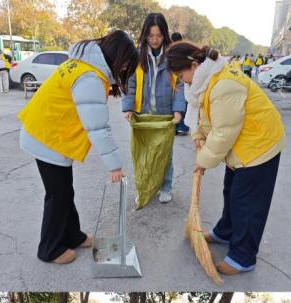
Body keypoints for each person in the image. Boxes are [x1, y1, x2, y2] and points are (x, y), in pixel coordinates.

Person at [18, 30, 138, 265]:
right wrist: (114, 166)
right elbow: (97, 127)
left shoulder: (82, 66)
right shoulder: (90, 78)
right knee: (58, 195)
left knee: (64, 191)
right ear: (115, 56)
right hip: (47, 138)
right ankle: (50, 249)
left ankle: (73, 235)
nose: (124, 69)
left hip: (48, 134)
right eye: (125, 63)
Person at [168, 43, 285, 277]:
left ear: (194, 66)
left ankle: (243, 257)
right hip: (241, 147)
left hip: (258, 146)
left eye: (181, 76)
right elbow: (203, 115)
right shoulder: (206, 79)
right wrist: (198, 135)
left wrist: (203, 161)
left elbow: (224, 131)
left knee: (247, 203)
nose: (182, 82)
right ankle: (226, 231)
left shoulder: (224, 85)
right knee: (231, 191)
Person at [122, 13, 185, 203]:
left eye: (159, 35)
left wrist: (178, 110)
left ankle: (165, 187)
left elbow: (180, 85)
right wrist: (128, 107)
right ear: (145, 35)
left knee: (165, 155)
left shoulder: (172, 56)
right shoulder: (137, 55)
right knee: (143, 155)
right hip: (143, 114)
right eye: (150, 36)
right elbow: (129, 83)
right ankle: (144, 187)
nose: (155, 40)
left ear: (165, 34)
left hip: (165, 116)